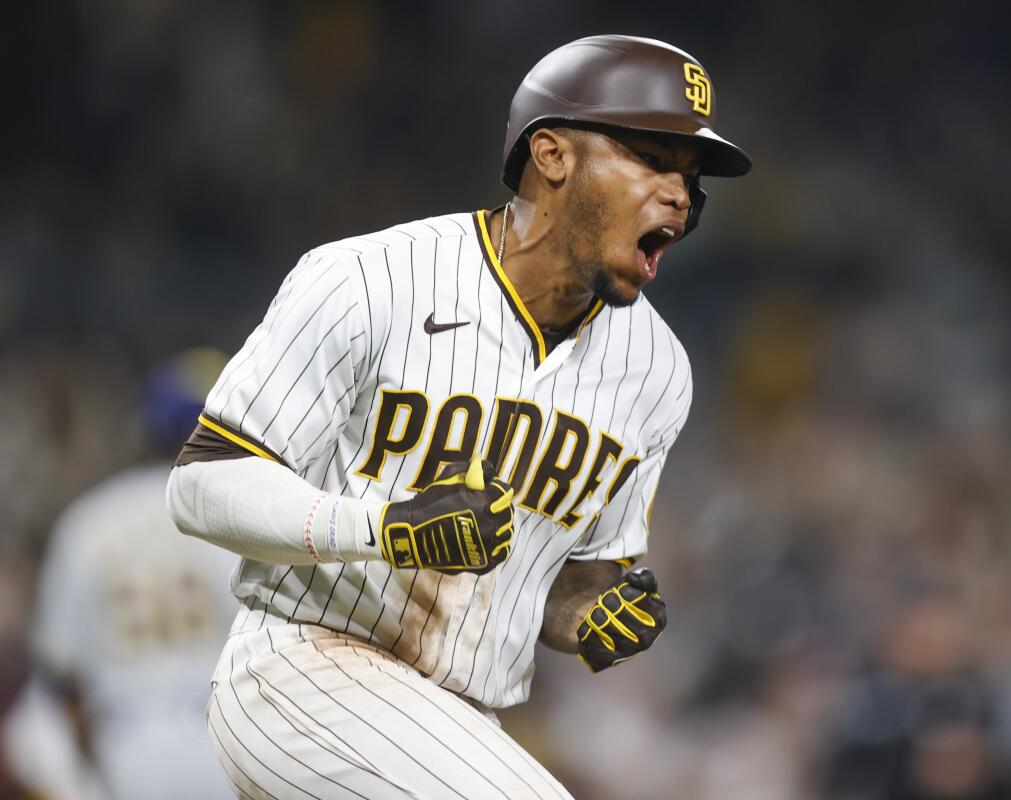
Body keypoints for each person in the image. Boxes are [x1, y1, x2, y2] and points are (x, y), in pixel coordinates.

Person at [167, 34, 750, 798]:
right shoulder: (370, 279)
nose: (680, 194)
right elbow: (201, 487)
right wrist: (381, 527)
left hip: (462, 719)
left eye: (690, 178)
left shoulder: (659, 370)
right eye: (652, 158)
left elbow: (570, 581)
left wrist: (593, 614)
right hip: (306, 673)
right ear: (552, 155)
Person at [11, 348, 240, 800]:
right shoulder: (240, 516)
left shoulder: (91, 518)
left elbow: (61, 679)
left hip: (127, 744)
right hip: (226, 742)